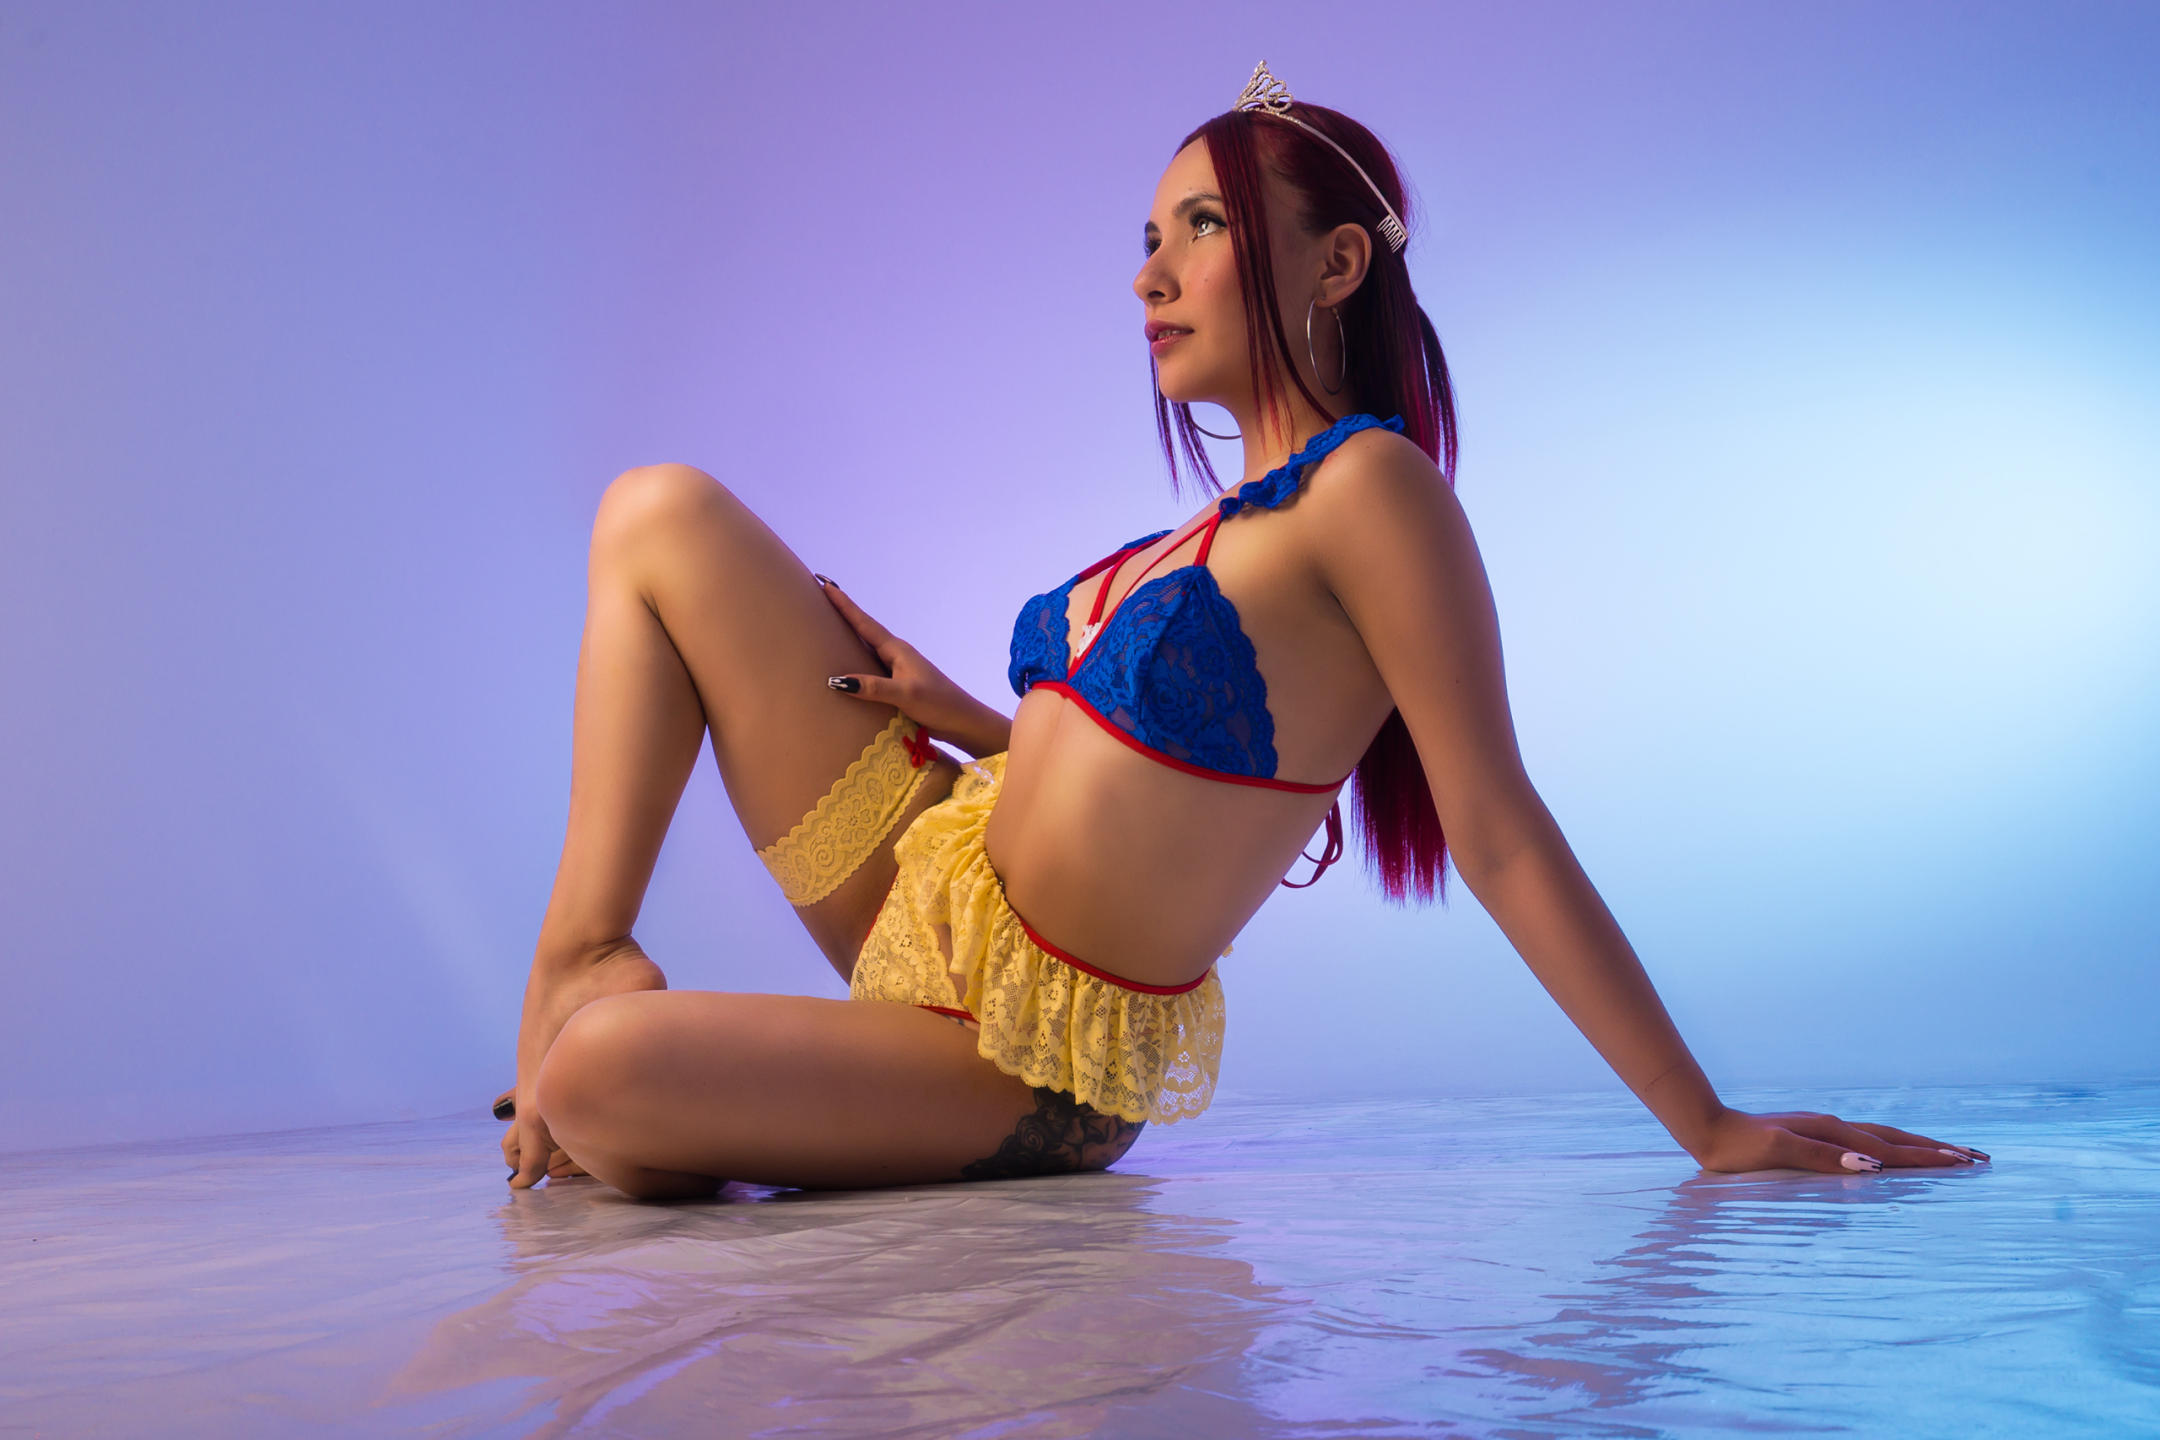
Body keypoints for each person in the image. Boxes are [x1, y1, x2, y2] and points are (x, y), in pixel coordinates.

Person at [500, 62, 1988, 1198]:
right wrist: (984, 725)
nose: (1149, 275)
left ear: (1336, 266)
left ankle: (635, 1097)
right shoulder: (1208, 530)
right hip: (935, 883)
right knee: (659, 513)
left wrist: (1707, 1124)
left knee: (602, 1074)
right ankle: (581, 953)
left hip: (1021, 1064)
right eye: (1149, 237)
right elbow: (1162, 791)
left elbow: (1498, 830)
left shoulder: (1373, 494)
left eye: (1202, 229)